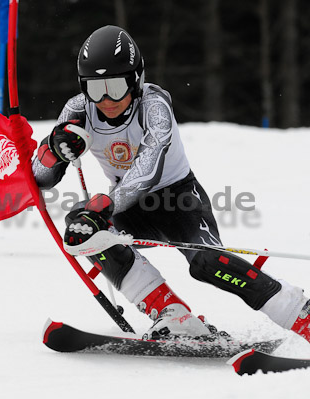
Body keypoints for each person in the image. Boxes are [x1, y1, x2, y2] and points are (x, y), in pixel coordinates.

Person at [33, 25, 310, 342]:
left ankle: (300, 311)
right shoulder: (79, 110)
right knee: (83, 229)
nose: (106, 99)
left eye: (116, 86)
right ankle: (173, 315)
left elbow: (147, 171)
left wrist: (104, 206)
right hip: (130, 207)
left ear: (136, 79)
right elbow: (41, 180)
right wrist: (53, 152)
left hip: (179, 200)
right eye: (95, 88)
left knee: (207, 263)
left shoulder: (154, 105)